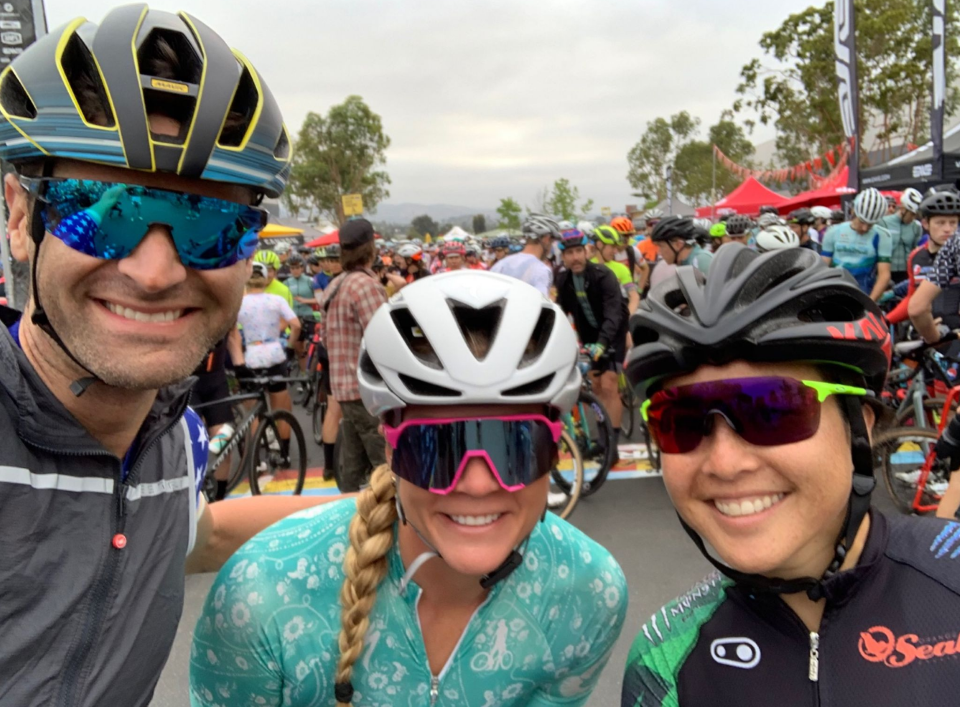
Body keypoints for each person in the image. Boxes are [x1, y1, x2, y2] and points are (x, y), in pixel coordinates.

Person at [0, 7, 339, 705]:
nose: (154, 272)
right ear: (18, 214)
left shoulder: (172, 438)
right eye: (98, 207)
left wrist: (407, 499)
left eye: (209, 224)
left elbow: (199, 534)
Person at [189, 270, 628, 707]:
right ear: (390, 449)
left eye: (516, 445)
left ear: (557, 447)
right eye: (433, 447)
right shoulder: (257, 599)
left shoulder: (591, 593)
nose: (477, 485)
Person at [621, 244, 960, 706]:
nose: (725, 463)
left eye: (773, 410)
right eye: (680, 421)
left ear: (858, 425)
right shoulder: (662, 663)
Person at [318, 219, 388, 491]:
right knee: (386, 466)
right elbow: (383, 340)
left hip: (344, 387)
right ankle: (391, 523)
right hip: (368, 391)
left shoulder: (334, 286)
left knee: (353, 465)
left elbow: (324, 338)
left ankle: (344, 517)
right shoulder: (365, 286)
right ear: (371, 249)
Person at [555, 229, 629, 448]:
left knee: (608, 384)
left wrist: (603, 343)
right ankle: (603, 437)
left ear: (587, 251)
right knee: (596, 387)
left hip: (613, 331)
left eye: (579, 251)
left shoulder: (603, 274)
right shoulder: (562, 279)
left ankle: (612, 444)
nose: (575, 257)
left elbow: (613, 313)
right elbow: (559, 312)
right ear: (563, 257)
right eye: (569, 253)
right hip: (589, 334)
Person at [235, 261, 301, 459]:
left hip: (252, 355)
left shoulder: (240, 302)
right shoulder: (276, 300)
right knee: (282, 407)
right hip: (274, 353)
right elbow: (296, 325)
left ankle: (256, 459)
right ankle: (284, 453)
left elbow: (231, 333)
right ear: (265, 279)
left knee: (252, 412)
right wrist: (289, 348)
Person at [821, 187, 892, 301]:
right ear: (853, 211)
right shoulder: (833, 231)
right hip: (835, 290)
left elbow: (884, 275)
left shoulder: (883, 235)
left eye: (870, 225)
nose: (864, 228)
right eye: (862, 222)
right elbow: (822, 267)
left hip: (864, 292)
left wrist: (870, 303)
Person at [490, 213, 559, 296]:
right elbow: (541, 305)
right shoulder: (541, 270)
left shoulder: (499, 265)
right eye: (552, 242)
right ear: (546, 239)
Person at [592, 224, 640, 314]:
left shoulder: (621, 268)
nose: (615, 251)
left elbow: (634, 297)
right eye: (612, 246)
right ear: (599, 245)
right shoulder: (586, 266)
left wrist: (626, 319)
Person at [881, 187, 924, 284]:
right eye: (912, 214)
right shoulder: (883, 222)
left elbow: (915, 250)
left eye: (915, 215)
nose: (913, 218)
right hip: (886, 271)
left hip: (907, 272)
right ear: (903, 209)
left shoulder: (916, 226)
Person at [284, 254, 317, 371]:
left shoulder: (310, 281)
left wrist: (305, 300)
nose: (295, 271)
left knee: (312, 348)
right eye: (293, 268)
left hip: (308, 316)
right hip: (294, 318)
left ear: (302, 268)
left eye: (298, 268)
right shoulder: (286, 283)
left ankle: (312, 373)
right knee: (300, 351)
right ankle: (304, 376)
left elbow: (319, 298)